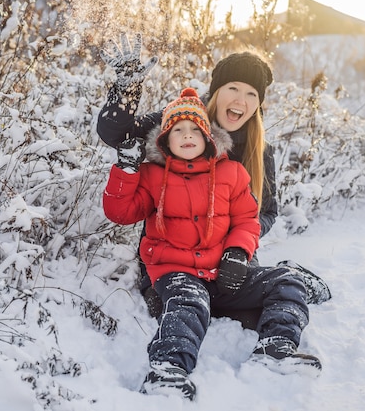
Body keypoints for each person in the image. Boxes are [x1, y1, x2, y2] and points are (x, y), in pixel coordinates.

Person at [97, 34, 331, 326]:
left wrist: (236, 249)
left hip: (228, 261)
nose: (240, 100)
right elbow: (118, 135)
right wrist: (126, 93)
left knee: (252, 315)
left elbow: (266, 212)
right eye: (233, 88)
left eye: (251, 95)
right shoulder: (184, 122)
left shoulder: (260, 150)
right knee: (172, 309)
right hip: (172, 261)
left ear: (258, 103)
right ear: (216, 91)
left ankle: (292, 276)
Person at [103, 88, 321, 401]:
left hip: (222, 271)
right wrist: (125, 171)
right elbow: (120, 212)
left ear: (208, 136)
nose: (187, 135)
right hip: (175, 271)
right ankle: (166, 369)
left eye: (195, 129)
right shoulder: (152, 175)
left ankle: (276, 347)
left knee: (288, 281)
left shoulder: (232, 173)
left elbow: (248, 220)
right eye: (178, 130)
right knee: (189, 302)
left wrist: (237, 252)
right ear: (165, 139)